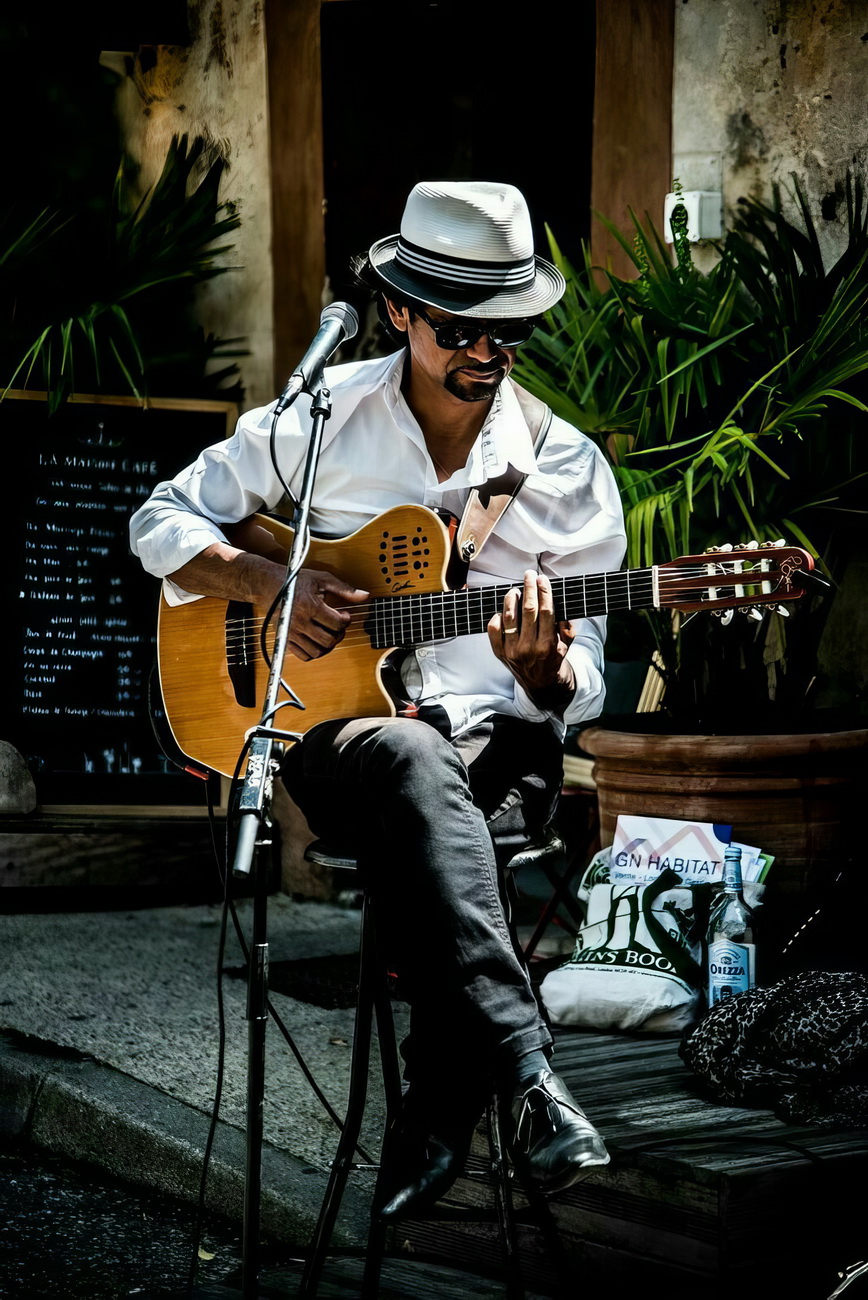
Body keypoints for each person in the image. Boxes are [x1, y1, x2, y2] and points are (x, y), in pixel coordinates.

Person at [130, 180, 626, 1216]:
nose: (487, 352)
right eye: (460, 328)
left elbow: (581, 688)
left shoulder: (565, 467)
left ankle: (437, 1113)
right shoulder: (322, 419)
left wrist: (543, 669)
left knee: (441, 804)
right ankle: (527, 1075)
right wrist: (268, 581)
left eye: (510, 331)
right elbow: (160, 518)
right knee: (408, 756)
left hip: (499, 749)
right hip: (335, 737)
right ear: (397, 309)